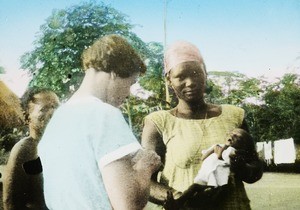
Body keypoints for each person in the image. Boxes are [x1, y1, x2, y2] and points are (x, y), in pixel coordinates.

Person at [38, 34, 161, 210]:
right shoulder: (105, 115)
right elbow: (128, 205)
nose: (128, 93)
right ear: (114, 73)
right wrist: (145, 168)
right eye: (130, 83)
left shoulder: (58, 119)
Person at [141, 40, 263, 210]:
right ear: (169, 80)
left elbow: (254, 171)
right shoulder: (158, 122)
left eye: (196, 73)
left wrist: (238, 164)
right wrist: (180, 199)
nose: (190, 82)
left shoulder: (233, 115)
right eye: (181, 77)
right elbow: (144, 181)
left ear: (205, 73)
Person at [3, 88, 60, 210]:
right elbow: (11, 203)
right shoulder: (25, 149)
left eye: (55, 107)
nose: (52, 113)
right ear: (27, 117)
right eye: (44, 109)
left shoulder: (61, 144)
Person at [172, 128, 258, 208]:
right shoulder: (217, 146)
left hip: (219, 181)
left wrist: (219, 155)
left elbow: (227, 166)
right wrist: (214, 150)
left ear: (242, 144)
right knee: (194, 187)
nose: (232, 136)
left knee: (212, 196)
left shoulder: (233, 152)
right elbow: (203, 158)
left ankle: (190, 205)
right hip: (207, 177)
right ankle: (179, 202)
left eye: (237, 137)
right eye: (231, 133)